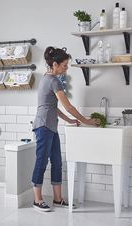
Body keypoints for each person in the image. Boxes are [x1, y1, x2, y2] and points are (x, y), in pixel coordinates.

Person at [32, 46, 100, 212]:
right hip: (43, 126)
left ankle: (58, 199)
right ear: (54, 64)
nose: (66, 68)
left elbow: (53, 107)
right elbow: (68, 106)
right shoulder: (53, 81)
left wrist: (70, 120)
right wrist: (86, 121)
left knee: (57, 162)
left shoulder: (48, 78)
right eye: (64, 65)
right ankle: (37, 200)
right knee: (41, 161)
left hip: (50, 126)